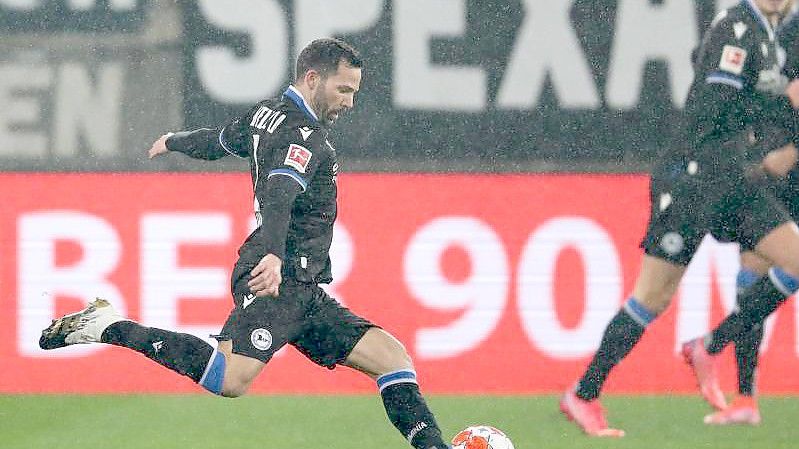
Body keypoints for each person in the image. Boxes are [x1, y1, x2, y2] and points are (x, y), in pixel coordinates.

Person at [39, 38, 452, 449]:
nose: (349, 101)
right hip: (275, 276)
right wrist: (273, 253)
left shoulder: (267, 115)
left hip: (302, 289)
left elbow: (220, 140)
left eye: (354, 92)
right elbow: (280, 191)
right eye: (343, 89)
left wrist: (175, 140)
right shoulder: (303, 136)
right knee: (229, 378)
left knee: (392, 358)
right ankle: (108, 328)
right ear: (312, 79)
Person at [559, 0, 799, 437]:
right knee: (653, 296)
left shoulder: (767, 36)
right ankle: (584, 393)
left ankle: (710, 344)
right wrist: (782, 104)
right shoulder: (738, 28)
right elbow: (718, 105)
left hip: (733, 179)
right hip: (693, 178)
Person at [684, 1, 799, 426]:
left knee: (768, 268)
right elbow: (784, 96)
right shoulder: (782, 33)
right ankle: (745, 396)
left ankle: (713, 345)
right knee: (755, 266)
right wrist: (782, 147)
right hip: (781, 165)